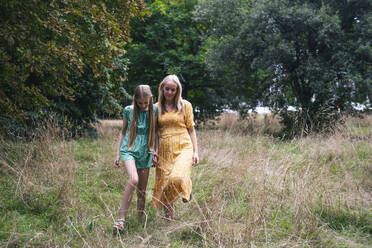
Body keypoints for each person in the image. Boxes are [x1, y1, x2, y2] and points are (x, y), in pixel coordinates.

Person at [152, 74, 199, 220]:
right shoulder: (155, 108)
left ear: (177, 90)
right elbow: (155, 132)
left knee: (177, 178)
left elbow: (191, 129)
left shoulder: (185, 105)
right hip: (164, 150)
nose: (170, 92)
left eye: (173, 90)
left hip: (184, 145)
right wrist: (155, 150)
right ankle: (169, 222)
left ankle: (186, 185)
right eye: (167, 89)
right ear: (162, 89)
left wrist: (196, 151)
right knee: (166, 184)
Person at [113, 85, 157, 232]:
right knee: (134, 179)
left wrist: (155, 151)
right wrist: (117, 154)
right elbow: (123, 132)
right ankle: (121, 220)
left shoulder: (155, 110)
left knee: (142, 192)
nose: (143, 105)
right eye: (140, 103)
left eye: (146, 102)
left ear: (150, 99)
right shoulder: (128, 110)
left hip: (146, 152)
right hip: (129, 149)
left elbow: (156, 133)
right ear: (135, 100)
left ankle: (139, 221)